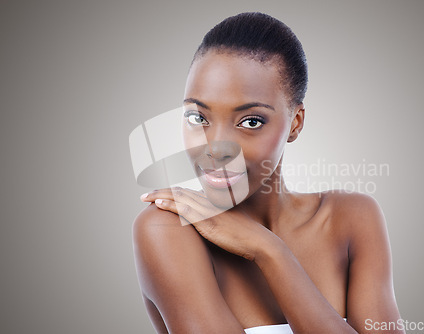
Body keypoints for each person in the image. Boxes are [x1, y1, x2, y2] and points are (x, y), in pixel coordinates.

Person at [132, 12, 404, 334]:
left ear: (295, 123)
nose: (216, 149)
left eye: (250, 122)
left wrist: (269, 251)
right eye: (198, 118)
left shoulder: (351, 218)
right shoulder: (167, 228)